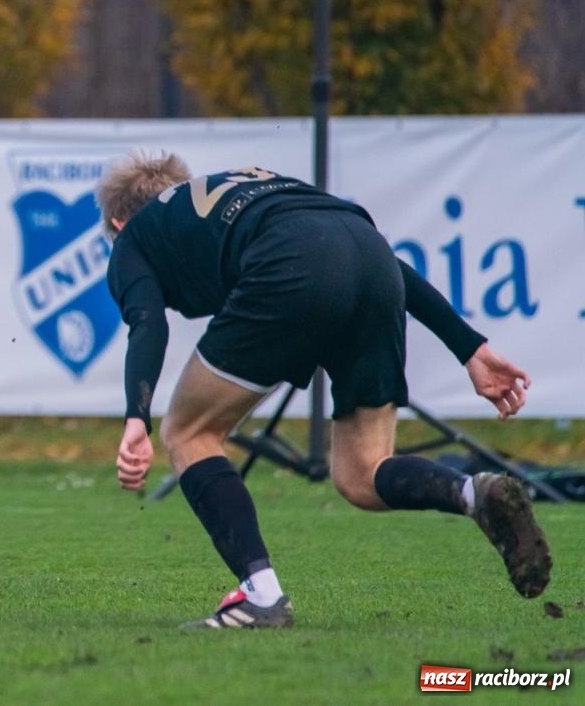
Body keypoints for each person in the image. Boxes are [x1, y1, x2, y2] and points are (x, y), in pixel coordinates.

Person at [97, 153, 552, 629]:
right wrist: (470, 349)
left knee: (189, 432)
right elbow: (372, 255)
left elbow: (147, 322)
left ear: (118, 221)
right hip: (371, 256)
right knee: (362, 473)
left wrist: (136, 417)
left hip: (291, 264)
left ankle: (261, 597)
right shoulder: (225, 192)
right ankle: (473, 493)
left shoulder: (134, 237)